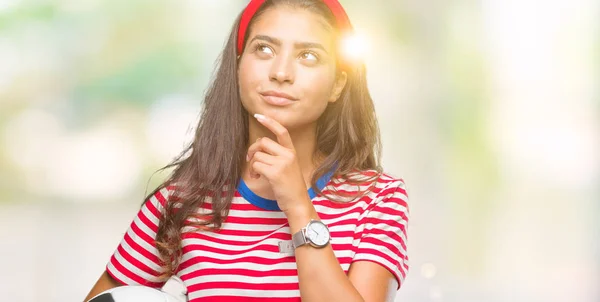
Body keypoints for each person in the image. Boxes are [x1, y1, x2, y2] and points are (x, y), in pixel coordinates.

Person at [85, 0, 409, 301]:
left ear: (338, 84)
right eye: (264, 49)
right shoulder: (179, 203)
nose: (281, 73)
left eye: (308, 56)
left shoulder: (378, 199)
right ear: (238, 65)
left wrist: (298, 206)